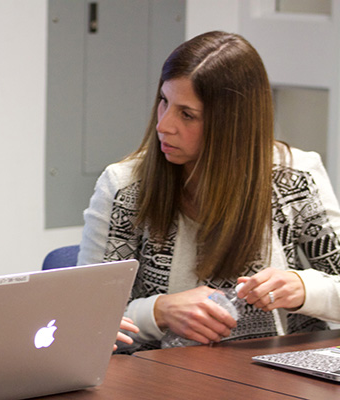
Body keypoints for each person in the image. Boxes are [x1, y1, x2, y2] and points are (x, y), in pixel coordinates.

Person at [79, 31, 340, 352]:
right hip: (164, 381)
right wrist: (159, 311)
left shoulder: (296, 177)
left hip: (281, 376)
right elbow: (86, 318)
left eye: (187, 114)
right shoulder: (124, 187)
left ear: (233, 125)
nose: (164, 125)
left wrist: (304, 288)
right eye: (164, 101)